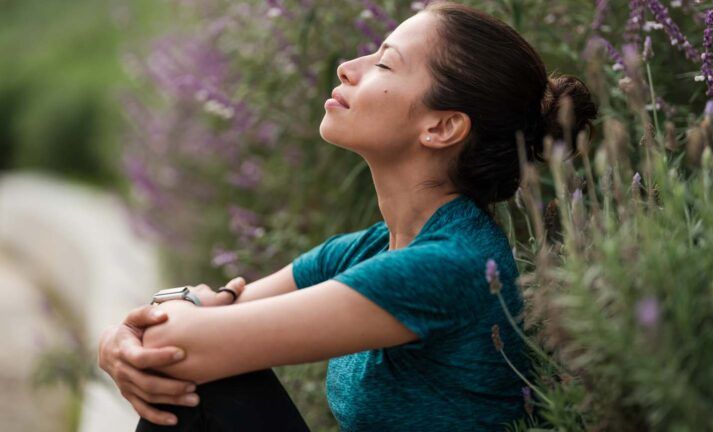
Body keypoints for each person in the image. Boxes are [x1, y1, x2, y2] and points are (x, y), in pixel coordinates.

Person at [97, 1, 598, 430]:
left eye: (384, 64)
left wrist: (160, 325)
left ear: (442, 127)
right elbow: (199, 325)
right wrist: (118, 341)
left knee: (204, 375)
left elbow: (179, 342)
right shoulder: (372, 248)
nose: (347, 67)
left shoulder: (449, 265)